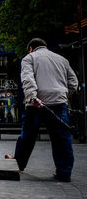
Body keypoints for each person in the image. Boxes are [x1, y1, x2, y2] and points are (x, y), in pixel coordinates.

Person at [5, 38, 78, 182]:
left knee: (27, 136)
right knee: (62, 138)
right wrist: (62, 95)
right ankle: (64, 172)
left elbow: (27, 79)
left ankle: (18, 165)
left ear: (31, 48)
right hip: (59, 103)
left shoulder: (29, 58)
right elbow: (73, 83)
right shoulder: (62, 59)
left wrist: (33, 97)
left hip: (37, 103)